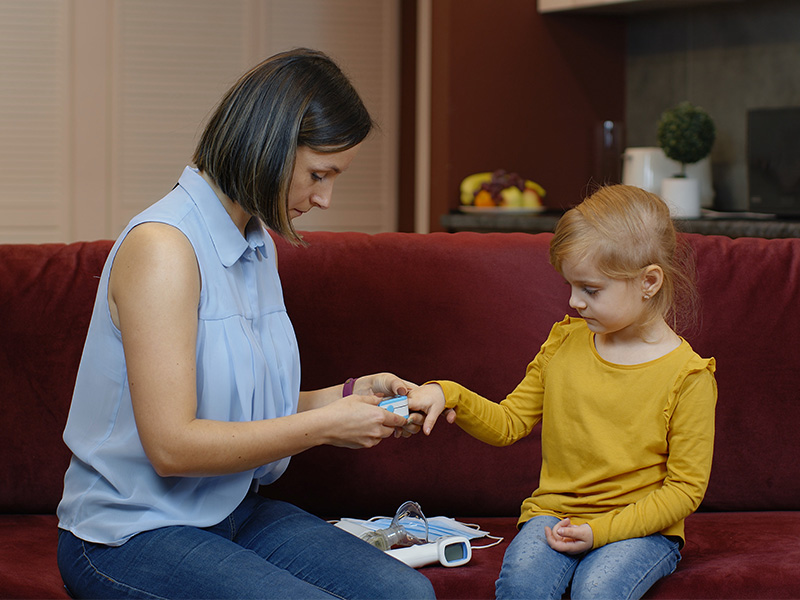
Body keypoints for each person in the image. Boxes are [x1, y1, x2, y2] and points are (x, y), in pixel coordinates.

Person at [56, 48, 435, 600]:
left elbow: (249, 406)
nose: (325, 199)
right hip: (128, 533)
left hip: (231, 509)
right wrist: (330, 427)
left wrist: (354, 397)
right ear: (269, 146)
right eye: (317, 174)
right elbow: (173, 447)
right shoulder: (164, 248)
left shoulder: (256, 246)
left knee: (407, 594)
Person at [409, 184, 717, 600]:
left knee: (597, 590)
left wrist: (599, 532)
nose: (574, 301)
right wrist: (450, 395)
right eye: (571, 285)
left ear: (649, 281)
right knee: (522, 588)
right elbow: (509, 423)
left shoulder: (689, 376)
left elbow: (684, 490)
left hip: (642, 528)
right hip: (555, 514)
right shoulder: (563, 343)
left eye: (591, 290)